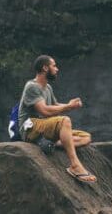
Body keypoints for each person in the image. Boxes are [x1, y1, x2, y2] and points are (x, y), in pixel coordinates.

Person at [18, 55, 97, 183]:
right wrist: (68, 107)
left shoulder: (47, 87)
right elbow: (44, 110)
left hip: (45, 127)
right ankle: (75, 166)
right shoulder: (32, 86)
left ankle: (50, 143)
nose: (57, 69)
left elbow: (54, 105)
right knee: (64, 120)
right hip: (30, 127)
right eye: (54, 65)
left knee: (86, 137)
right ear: (45, 68)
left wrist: (70, 105)